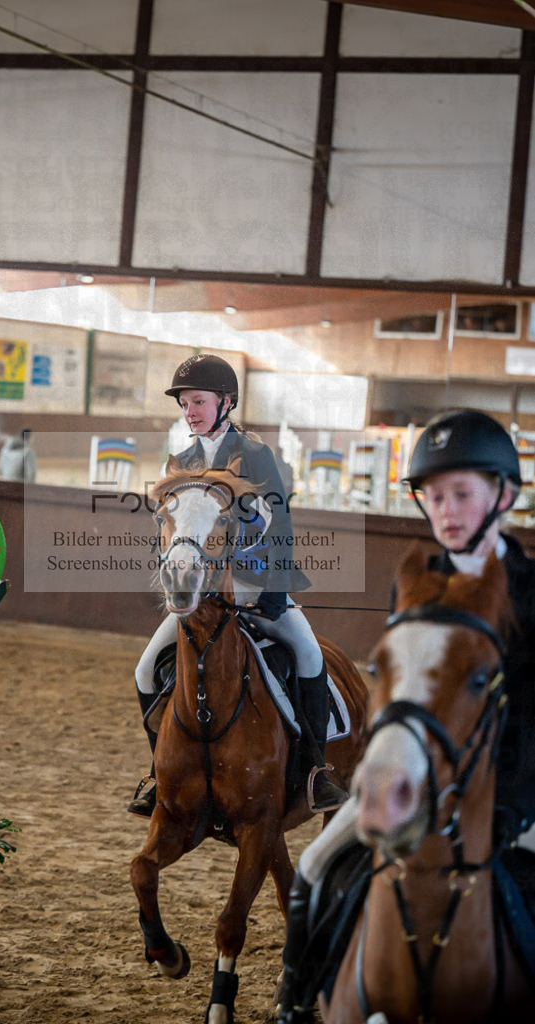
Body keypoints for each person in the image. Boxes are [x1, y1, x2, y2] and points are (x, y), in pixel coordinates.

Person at [278, 408, 535, 1021]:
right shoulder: (417, 580)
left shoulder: (529, 589)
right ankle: (294, 1000)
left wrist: (511, 807)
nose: (446, 511)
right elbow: (398, 692)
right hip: (415, 774)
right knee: (314, 865)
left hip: (513, 788)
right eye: (434, 497)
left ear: (503, 495)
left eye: (461, 494)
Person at [127, 353, 349, 817]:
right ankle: (158, 773)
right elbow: (167, 526)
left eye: (198, 401)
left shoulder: (257, 456)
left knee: (309, 655)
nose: (190, 411)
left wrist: (272, 591)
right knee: (145, 669)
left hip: (256, 586)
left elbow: (280, 525)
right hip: (202, 596)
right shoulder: (183, 461)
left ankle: (316, 770)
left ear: (225, 402)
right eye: (184, 403)